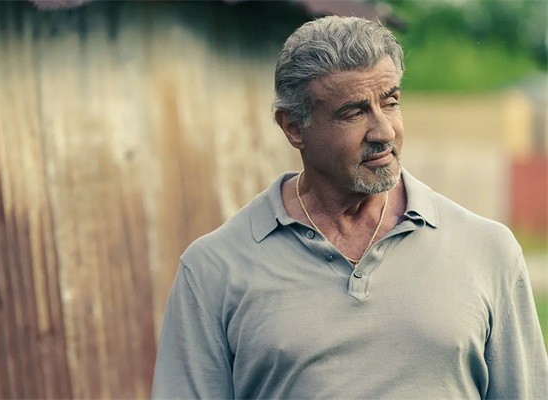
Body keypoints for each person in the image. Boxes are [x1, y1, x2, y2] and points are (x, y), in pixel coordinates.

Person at [152, 16, 547, 399]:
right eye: (354, 113)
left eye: (390, 103)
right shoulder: (213, 269)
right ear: (293, 127)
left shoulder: (487, 250)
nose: (384, 131)